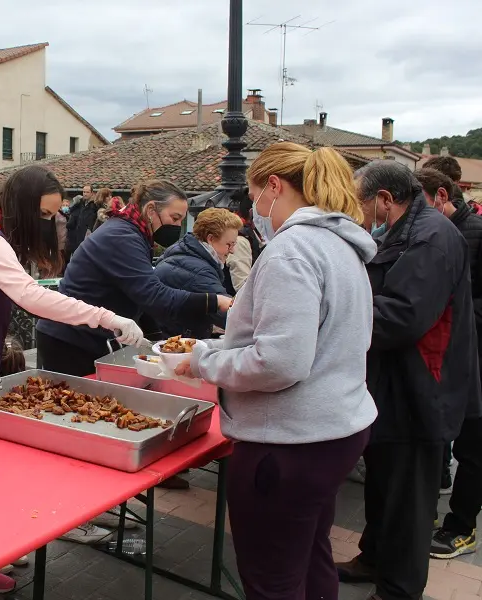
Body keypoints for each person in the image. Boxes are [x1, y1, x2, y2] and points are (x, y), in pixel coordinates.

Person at [0, 166, 143, 588]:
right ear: (25, 207)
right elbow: (31, 297)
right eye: (47, 215)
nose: (51, 223)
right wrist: (105, 317)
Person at [172, 143, 378, 600]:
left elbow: (280, 361)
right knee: (309, 556)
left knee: (273, 579)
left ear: (273, 187)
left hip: (290, 444)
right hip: (335, 430)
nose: (254, 213)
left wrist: (206, 360)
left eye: (252, 199)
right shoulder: (341, 245)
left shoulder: (293, 250)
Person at [336, 161, 481, 600]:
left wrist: (334, 311)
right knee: (383, 483)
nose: (357, 212)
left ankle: (399, 588)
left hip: (421, 388)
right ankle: (374, 557)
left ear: (383, 200)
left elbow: (401, 316)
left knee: (410, 500)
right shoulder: (406, 231)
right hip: (392, 384)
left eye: (360, 202)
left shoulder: (432, 238)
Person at [36, 179, 232, 378]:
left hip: (85, 335)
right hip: (70, 340)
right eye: (174, 218)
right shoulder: (122, 237)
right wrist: (214, 301)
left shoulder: (132, 233)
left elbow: (138, 291)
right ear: (150, 210)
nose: (178, 226)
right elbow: (155, 296)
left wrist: (156, 341)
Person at [415, 167, 482, 559]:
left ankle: (462, 527)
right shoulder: (441, 232)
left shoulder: (469, 231)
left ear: (440, 196)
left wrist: (445, 313)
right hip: (456, 356)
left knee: (473, 446)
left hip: (473, 358)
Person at [154, 208, 242, 339]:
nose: (232, 250)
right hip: (176, 345)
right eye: (229, 244)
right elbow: (233, 318)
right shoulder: (198, 271)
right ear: (210, 239)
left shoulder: (183, 252)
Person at [65, 184, 98, 258]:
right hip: (74, 236)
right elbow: (70, 214)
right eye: (84, 192)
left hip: (86, 236)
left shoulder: (94, 206)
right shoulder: (79, 204)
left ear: (92, 193)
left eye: (87, 192)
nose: (85, 194)